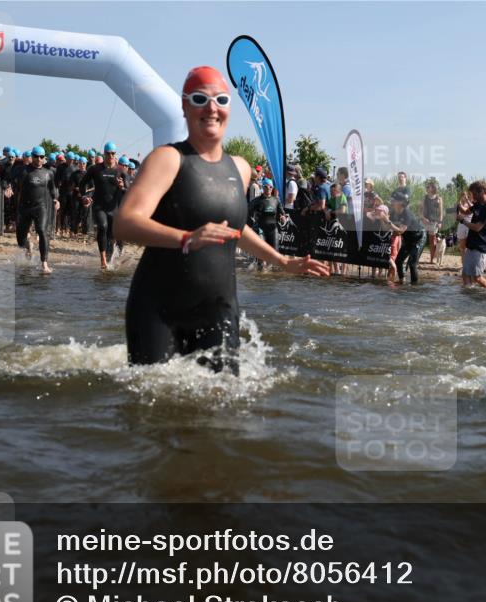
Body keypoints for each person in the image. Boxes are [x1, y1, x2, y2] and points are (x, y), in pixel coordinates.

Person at [114, 65, 329, 373]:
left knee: (224, 407)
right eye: (200, 99)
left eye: (221, 100)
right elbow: (125, 222)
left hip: (218, 308)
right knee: (155, 410)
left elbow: (235, 230)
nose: (211, 108)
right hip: (159, 308)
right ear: (185, 106)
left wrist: (282, 262)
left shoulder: (240, 168)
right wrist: (186, 238)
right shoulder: (168, 158)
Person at [81, 141, 125, 270]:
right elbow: (82, 184)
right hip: (99, 206)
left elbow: (129, 188)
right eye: (108, 153)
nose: (111, 155)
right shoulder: (95, 169)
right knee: (102, 226)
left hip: (114, 208)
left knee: (111, 236)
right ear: (104, 153)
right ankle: (103, 260)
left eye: (113, 153)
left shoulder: (120, 170)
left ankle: (110, 258)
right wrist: (85, 197)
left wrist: (122, 187)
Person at [16, 146, 58, 274]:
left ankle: (44, 264)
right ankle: (28, 247)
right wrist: (7, 187)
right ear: (31, 157)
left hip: (40, 207)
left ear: (44, 158)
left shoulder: (48, 173)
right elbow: (9, 180)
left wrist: (56, 199)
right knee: (21, 238)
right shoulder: (23, 170)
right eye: (36, 156)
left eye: (41, 157)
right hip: (24, 207)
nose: (38, 159)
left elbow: (52, 189)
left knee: (42, 231)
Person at [458, 181, 486, 288]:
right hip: (472, 245)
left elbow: (478, 227)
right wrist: (458, 203)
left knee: (477, 277)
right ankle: (469, 297)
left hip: (481, 247)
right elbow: (465, 212)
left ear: (482, 192)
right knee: (465, 274)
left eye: (474, 194)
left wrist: (463, 221)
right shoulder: (478, 204)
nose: (472, 196)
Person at [388, 190, 425, 285]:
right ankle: (401, 281)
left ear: (401, 203)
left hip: (419, 239)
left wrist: (388, 222)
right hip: (408, 240)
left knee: (412, 264)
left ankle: (414, 287)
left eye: (394, 200)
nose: (392, 202)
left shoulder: (407, 214)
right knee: (398, 261)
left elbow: (400, 231)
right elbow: (395, 231)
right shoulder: (394, 213)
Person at [421, 179, 444, 263]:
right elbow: (420, 210)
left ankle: (432, 259)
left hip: (434, 222)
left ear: (433, 188)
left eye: (429, 187)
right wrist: (423, 218)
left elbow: (441, 212)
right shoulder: (424, 197)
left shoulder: (439, 198)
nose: (427, 188)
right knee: (421, 240)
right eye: (427, 187)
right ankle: (417, 258)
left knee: (432, 241)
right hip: (424, 221)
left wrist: (440, 222)